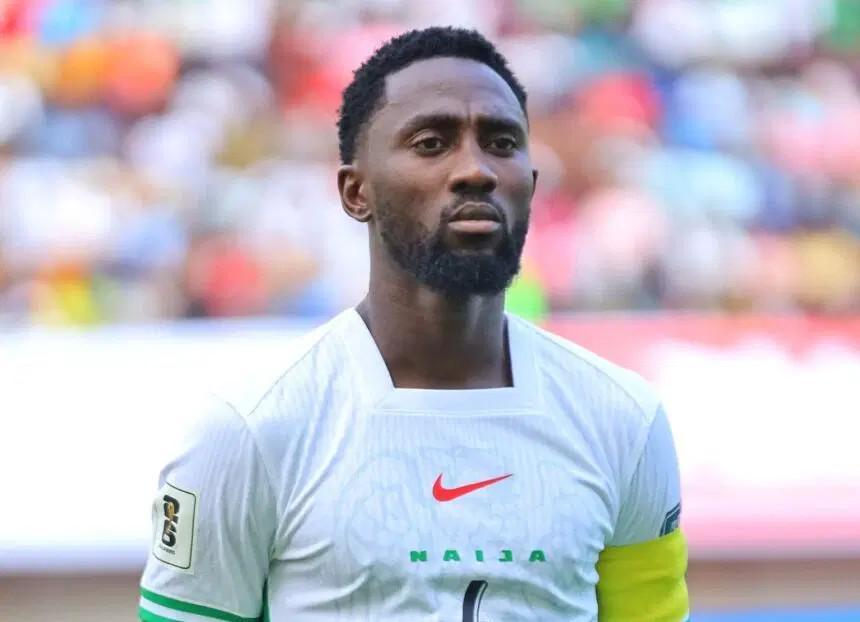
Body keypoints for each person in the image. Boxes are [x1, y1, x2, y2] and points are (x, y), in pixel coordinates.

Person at [139, 26, 689, 622]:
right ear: (356, 192)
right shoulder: (249, 428)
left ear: (531, 186)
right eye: (432, 143)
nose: (476, 169)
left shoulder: (623, 419)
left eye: (502, 143)